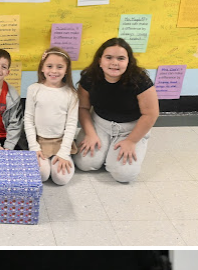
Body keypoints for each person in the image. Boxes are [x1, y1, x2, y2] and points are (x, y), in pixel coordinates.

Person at [75, 38, 157, 183]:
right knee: (85, 164)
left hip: (130, 129)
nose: (114, 63)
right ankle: (106, 151)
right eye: (109, 57)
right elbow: (83, 107)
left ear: (128, 62)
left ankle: (131, 146)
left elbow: (151, 114)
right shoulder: (89, 77)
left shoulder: (140, 80)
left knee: (124, 175)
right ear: (100, 60)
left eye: (121, 58)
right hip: (99, 124)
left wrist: (131, 141)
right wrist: (90, 133)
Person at [23, 47, 80, 185]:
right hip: (39, 141)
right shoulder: (34, 89)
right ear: (42, 68)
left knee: (61, 179)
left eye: (59, 67)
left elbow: (71, 125)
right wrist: (34, 147)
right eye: (49, 66)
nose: (54, 71)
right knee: (42, 175)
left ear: (66, 70)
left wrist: (64, 153)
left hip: (60, 142)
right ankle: (44, 161)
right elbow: (28, 120)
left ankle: (58, 158)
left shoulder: (71, 94)